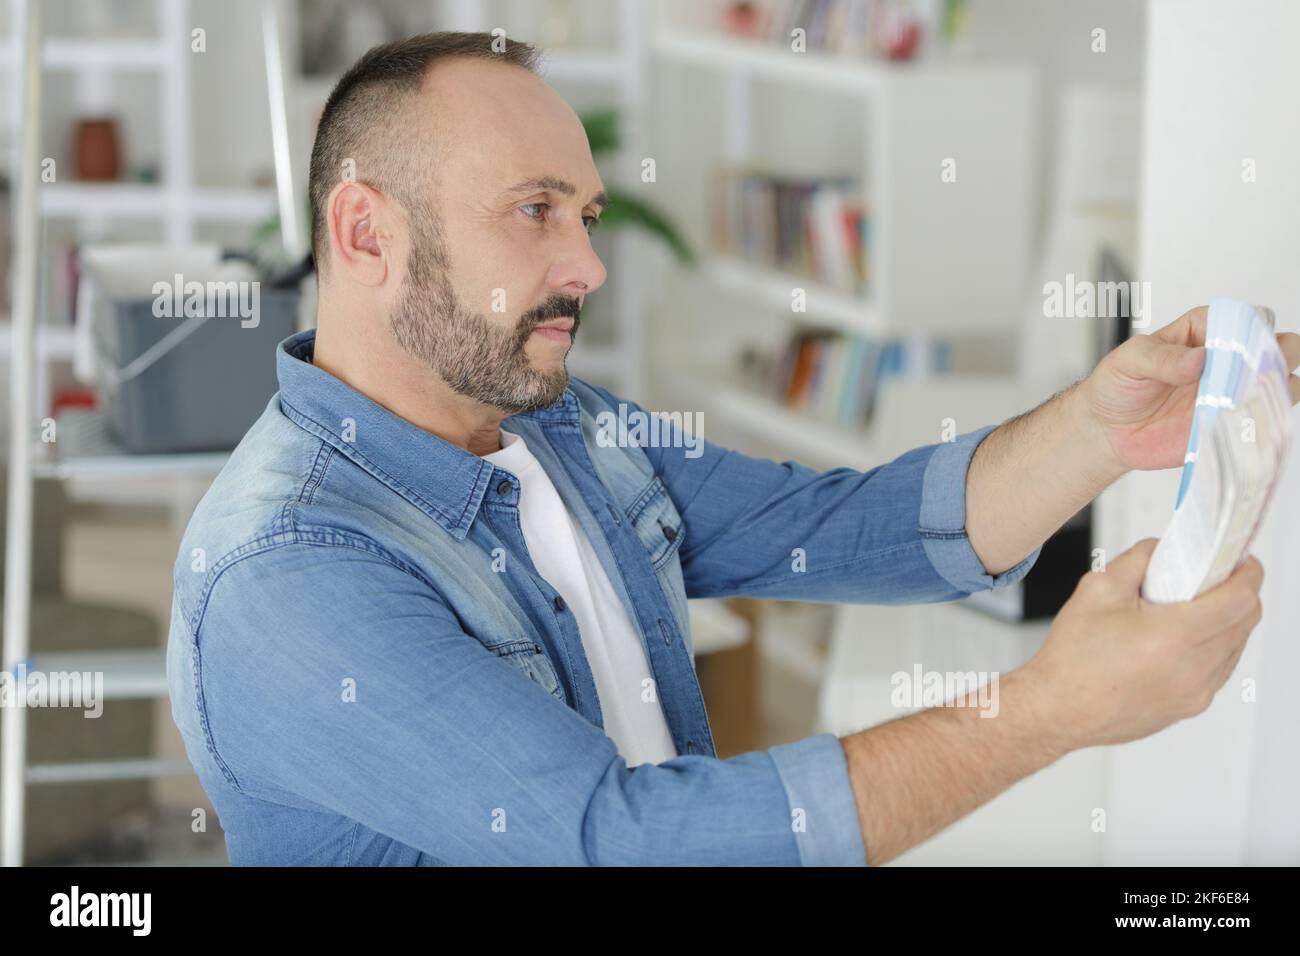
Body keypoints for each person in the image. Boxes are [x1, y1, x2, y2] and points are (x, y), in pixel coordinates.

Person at [166, 31, 1300, 866]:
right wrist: (1052, 707)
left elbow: (835, 527)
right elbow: (624, 842)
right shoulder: (288, 573)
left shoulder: (562, 427)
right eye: (534, 210)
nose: (589, 266)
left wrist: (1100, 428)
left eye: (588, 216)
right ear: (367, 232)